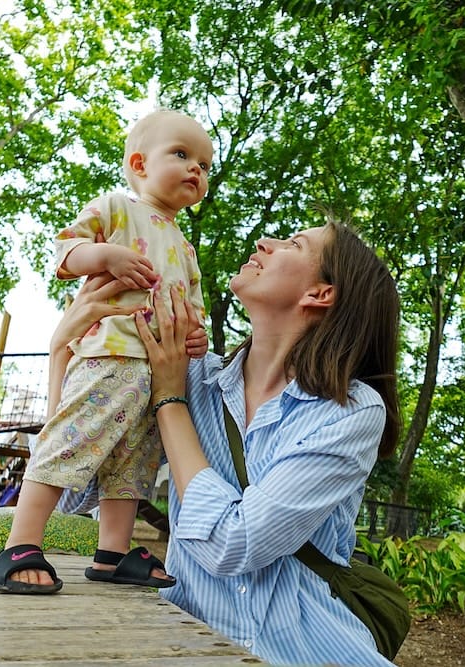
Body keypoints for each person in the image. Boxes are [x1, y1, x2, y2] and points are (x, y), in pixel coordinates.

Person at [135, 221, 402, 666]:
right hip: (187, 647)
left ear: (320, 294)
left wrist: (169, 402)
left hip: (309, 651)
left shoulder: (351, 410)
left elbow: (234, 543)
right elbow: (81, 484)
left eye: (294, 244)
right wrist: (73, 337)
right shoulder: (191, 373)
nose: (264, 242)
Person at [0, 109, 213, 594]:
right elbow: (65, 252)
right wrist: (104, 255)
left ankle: (112, 553)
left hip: (156, 374)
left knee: (132, 467)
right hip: (108, 357)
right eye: (182, 154)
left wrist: (196, 338)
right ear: (139, 163)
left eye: (206, 165)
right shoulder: (116, 208)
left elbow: (193, 310)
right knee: (69, 441)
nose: (197, 169)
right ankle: (21, 542)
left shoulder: (186, 248)